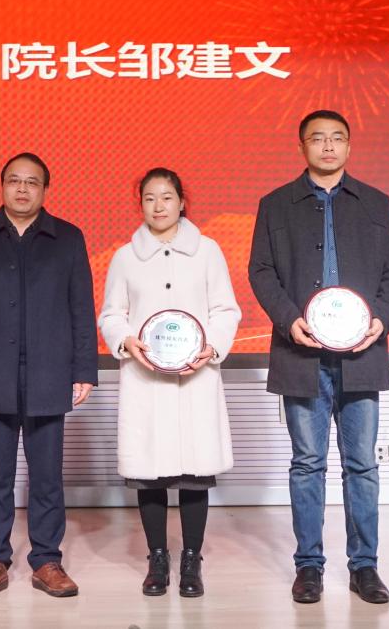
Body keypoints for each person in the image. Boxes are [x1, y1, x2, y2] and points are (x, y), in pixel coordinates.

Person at [248, 109, 389, 605]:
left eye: (337, 138)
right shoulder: (276, 204)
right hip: (301, 355)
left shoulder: (376, 203)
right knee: (307, 464)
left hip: (362, 355)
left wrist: (380, 319)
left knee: (361, 465)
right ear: (302, 147)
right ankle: (309, 567)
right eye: (317, 138)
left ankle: (365, 567)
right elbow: (261, 270)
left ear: (349, 146)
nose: (327, 146)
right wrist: (288, 319)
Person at [0, 152, 97, 599]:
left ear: (45, 190)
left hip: (50, 370)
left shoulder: (68, 238)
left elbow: (81, 310)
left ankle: (47, 560)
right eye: (14, 180)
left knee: (47, 475)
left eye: (32, 182)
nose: (23, 189)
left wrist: (84, 369)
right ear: (2, 186)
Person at [98, 168, 241, 597]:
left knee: (195, 473)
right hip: (145, 379)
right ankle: (157, 558)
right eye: (149, 198)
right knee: (149, 474)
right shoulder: (125, 257)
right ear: (140, 204)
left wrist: (211, 348)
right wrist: (126, 340)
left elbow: (225, 310)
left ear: (182, 201)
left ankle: (192, 560)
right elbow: (112, 313)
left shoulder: (208, 251)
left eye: (166, 197)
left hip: (196, 377)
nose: (158, 206)